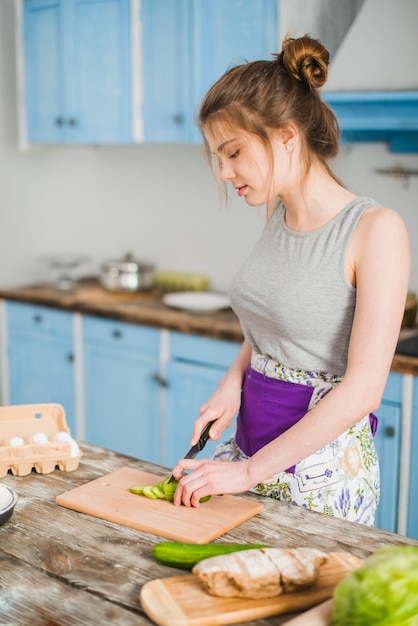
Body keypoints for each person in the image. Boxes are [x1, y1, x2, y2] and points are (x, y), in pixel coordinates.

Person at [171, 34, 410, 526]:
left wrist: (246, 473)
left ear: (285, 134)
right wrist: (231, 383)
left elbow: (364, 389)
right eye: (219, 156)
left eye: (233, 152)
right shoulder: (275, 215)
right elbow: (270, 322)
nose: (223, 172)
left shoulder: (375, 230)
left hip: (322, 472)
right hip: (252, 445)